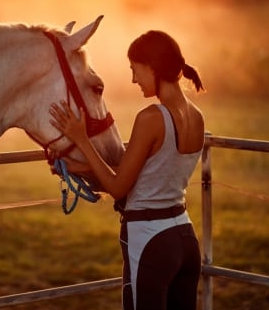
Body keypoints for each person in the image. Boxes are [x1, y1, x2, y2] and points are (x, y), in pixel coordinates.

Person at [50, 30, 205, 310]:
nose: (134, 79)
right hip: (184, 237)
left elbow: (119, 187)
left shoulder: (151, 118)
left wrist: (81, 139)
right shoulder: (196, 116)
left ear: (152, 67)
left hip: (150, 241)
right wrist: (80, 167)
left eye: (135, 70)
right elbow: (147, 172)